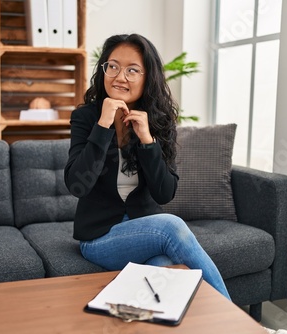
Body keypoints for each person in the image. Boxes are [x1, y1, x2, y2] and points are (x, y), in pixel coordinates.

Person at [64, 33, 231, 299]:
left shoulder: (159, 121)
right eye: (113, 66)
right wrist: (102, 126)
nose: (120, 76)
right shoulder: (86, 117)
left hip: (144, 231)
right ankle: (238, 325)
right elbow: (77, 185)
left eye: (132, 70)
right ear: (103, 69)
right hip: (99, 238)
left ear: (147, 77)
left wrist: (147, 140)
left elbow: (165, 193)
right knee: (171, 227)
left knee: (166, 273)